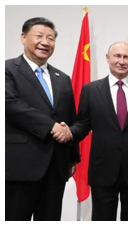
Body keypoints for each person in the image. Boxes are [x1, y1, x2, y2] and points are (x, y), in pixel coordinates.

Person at [54, 42, 128, 221]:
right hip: (103, 170)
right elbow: (83, 124)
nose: (121, 61)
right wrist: (70, 132)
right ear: (107, 58)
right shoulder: (91, 90)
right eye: (117, 56)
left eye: (126, 57)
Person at [5, 17, 79, 221]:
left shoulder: (62, 78)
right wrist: (51, 126)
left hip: (56, 165)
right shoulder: (8, 69)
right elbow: (11, 105)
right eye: (39, 36)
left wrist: (73, 155)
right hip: (20, 165)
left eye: (50, 38)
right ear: (23, 37)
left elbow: (69, 117)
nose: (45, 42)